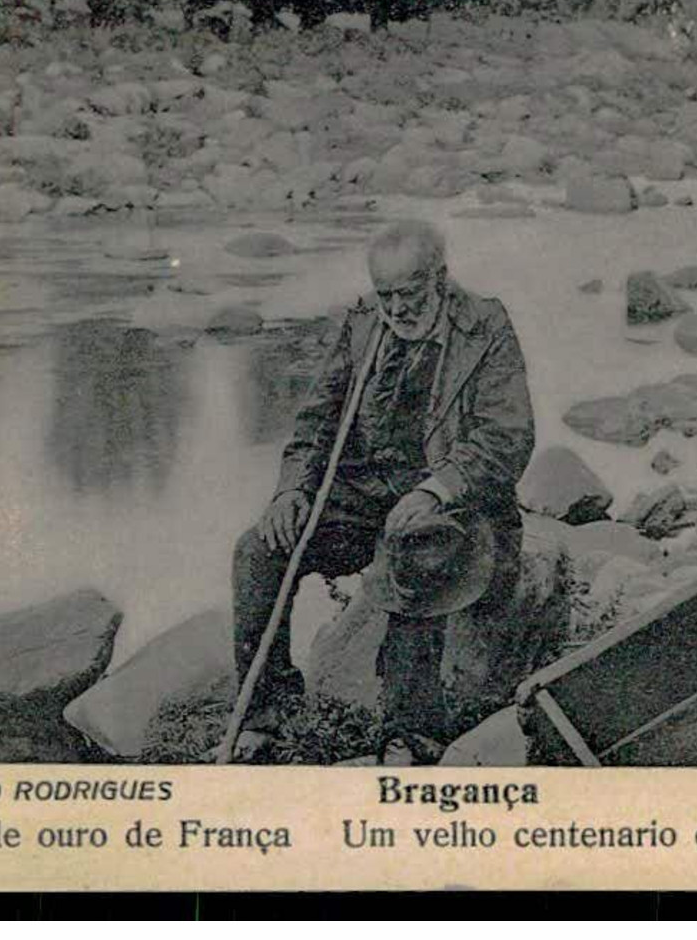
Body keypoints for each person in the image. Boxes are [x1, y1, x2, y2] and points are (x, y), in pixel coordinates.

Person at [229, 220, 535, 764]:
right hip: (364, 495)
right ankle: (266, 711)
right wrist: (291, 491)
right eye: (385, 294)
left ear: (440, 278)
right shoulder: (364, 321)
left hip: (455, 507)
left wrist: (438, 489)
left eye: (409, 294)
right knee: (259, 550)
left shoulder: (485, 326)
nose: (396, 309)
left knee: (413, 542)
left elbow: (506, 437)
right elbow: (315, 422)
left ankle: (410, 733)